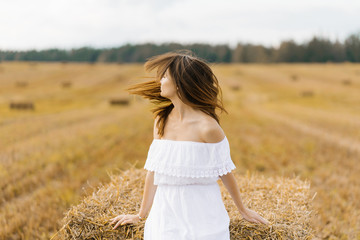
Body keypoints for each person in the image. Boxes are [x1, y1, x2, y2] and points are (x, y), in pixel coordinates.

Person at [110, 50, 269, 239]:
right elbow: (153, 172)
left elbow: (225, 172)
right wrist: (140, 215)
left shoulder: (208, 128)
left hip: (203, 215)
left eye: (165, 76)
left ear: (179, 84)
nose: (159, 81)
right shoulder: (161, 120)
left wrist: (243, 210)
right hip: (164, 216)